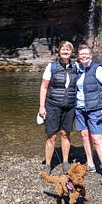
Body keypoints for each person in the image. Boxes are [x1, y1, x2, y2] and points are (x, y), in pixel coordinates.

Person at [39, 41, 78, 174]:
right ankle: (48, 164)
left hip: (70, 106)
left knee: (65, 134)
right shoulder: (52, 67)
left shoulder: (76, 67)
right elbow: (44, 87)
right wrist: (41, 106)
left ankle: (65, 161)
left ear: (72, 52)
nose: (65, 52)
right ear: (59, 51)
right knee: (52, 136)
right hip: (53, 105)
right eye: (63, 49)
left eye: (68, 50)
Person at [75, 44, 102, 185]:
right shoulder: (77, 68)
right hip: (80, 108)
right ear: (78, 56)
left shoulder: (98, 69)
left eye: (86, 54)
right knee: (84, 136)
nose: (83, 56)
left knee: (97, 139)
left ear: (91, 55)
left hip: (95, 109)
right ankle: (90, 163)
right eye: (81, 54)